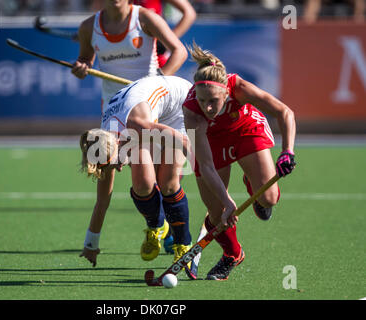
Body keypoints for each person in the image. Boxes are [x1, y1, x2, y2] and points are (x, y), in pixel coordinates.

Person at [72, 0, 188, 265]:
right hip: (113, 109)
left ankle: (175, 233)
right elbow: (85, 62)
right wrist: (81, 67)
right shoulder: (88, 27)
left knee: (166, 180)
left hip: (150, 106)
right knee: (139, 183)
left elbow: (179, 52)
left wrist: (155, 83)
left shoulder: (145, 18)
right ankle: (159, 227)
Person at [182, 43, 296, 281]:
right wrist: (227, 202)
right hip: (212, 141)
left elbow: (285, 112)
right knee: (216, 213)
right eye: (203, 101)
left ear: (226, 92)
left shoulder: (240, 87)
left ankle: (252, 179)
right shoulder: (192, 112)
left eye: (213, 100)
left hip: (245, 130)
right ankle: (232, 254)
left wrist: (287, 152)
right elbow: (205, 166)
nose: (208, 108)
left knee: (268, 198)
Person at [79, 75, 199, 269]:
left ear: (119, 143)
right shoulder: (103, 143)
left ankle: (183, 245)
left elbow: (184, 142)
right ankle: (158, 227)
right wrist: (90, 244)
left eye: (115, 163)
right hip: (148, 117)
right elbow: (102, 200)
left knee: (168, 184)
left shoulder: (138, 126)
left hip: (180, 107)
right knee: (143, 185)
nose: (117, 168)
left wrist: (208, 171)